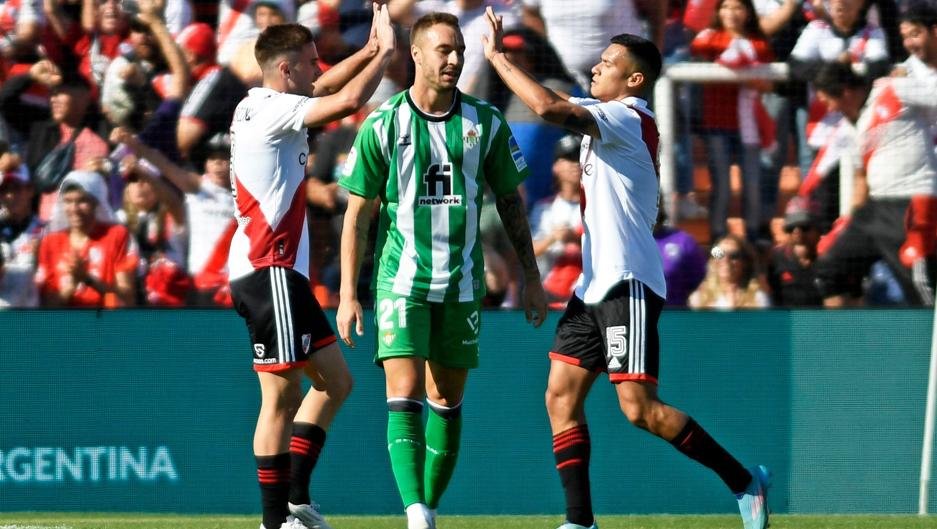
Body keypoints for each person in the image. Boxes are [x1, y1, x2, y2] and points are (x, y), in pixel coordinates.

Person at [482, 9, 770, 529]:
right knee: (559, 396)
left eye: (609, 62)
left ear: (634, 79)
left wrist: (497, 57)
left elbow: (546, 106)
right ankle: (580, 521)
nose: (597, 66)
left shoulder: (628, 117)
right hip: (593, 286)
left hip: (627, 282)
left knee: (639, 409)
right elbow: (559, 102)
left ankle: (744, 482)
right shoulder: (605, 111)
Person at [335, 12, 547, 529]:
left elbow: (512, 205)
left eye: (459, 50)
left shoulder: (486, 124)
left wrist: (533, 277)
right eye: (443, 50)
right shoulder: (382, 124)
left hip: (462, 284)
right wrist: (347, 293)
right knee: (403, 393)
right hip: (400, 281)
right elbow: (357, 216)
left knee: (446, 403)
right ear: (416, 53)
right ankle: (415, 513)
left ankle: (425, 507)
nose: (453, 59)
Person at [227, 11, 396, 529]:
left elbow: (325, 85)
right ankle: (275, 520)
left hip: (283, 273)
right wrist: (387, 56)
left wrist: (368, 52)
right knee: (280, 395)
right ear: (284, 70)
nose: (317, 70)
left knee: (335, 383)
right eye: (308, 63)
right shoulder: (272, 111)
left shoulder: (264, 103)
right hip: (267, 267)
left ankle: (295, 501)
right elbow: (344, 101)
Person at [811, 61, 937, 307]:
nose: (830, 109)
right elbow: (860, 177)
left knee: (921, 289)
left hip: (912, 204)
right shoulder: (851, 126)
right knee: (828, 267)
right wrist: (846, 222)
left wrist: (908, 78)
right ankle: (849, 340)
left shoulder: (893, 89)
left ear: (845, 92)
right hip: (873, 210)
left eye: (829, 101)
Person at [35, 170, 138, 307]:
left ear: (97, 203)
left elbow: (126, 301)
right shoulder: (50, 243)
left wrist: (88, 279)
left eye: (82, 201)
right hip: (64, 325)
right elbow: (47, 306)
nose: (74, 208)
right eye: (68, 201)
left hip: (106, 324)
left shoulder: (116, 236)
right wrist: (70, 288)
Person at [766, 196, 823, 306]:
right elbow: (725, 252)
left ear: (818, 229)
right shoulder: (774, 259)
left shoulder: (830, 260)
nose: (797, 232)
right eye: (791, 227)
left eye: (804, 226)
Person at [689, 234, 771, 309]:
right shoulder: (699, 298)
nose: (725, 260)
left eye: (734, 255)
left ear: (745, 262)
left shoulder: (758, 299)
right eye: (718, 254)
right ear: (713, 260)